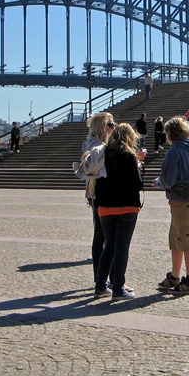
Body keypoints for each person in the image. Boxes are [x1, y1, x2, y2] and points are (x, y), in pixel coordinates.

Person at [93, 123, 145, 299]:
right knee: (122, 248)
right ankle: (118, 289)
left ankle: (100, 286)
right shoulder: (129, 156)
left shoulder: (103, 154)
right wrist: (139, 165)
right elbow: (138, 184)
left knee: (109, 247)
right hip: (126, 207)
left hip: (105, 207)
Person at [154, 117, 189, 295]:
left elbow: (168, 179)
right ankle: (174, 276)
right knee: (177, 238)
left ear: (170, 134)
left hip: (181, 199)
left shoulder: (174, 152)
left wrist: (158, 181)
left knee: (185, 240)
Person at [80, 111, 115, 290]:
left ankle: (101, 277)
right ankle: (102, 279)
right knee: (104, 237)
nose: (113, 128)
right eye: (111, 125)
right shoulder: (97, 147)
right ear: (102, 127)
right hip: (101, 194)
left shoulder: (91, 144)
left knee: (100, 236)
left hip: (95, 194)